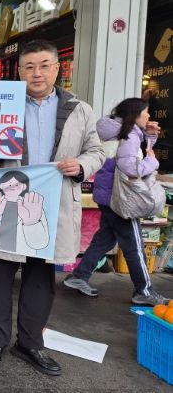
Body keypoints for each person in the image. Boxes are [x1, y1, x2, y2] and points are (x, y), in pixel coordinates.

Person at [0, 40, 104, 376]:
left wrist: (81, 165)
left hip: (52, 202)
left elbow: (97, 151)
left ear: (57, 68)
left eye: (44, 65)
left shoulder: (79, 109)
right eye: (30, 67)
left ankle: (30, 343)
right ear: (19, 71)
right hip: (8, 200)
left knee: (39, 277)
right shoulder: (3, 105)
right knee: (0, 274)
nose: (37, 73)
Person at [63, 98, 170, 305]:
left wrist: (149, 135)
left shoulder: (117, 131)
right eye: (146, 112)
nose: (149, 116)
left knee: (105, 239)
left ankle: (79, 276)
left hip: (107, 197)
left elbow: (134, 153)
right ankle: (144, 290)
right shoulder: (129, 136)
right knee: (135, 246)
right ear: (135, 114)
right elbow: (132, 168)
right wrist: (152, 161)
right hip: (122, 200)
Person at [0, 170, 50, 255]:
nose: (13, 186)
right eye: (9, 183)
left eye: (17, 184)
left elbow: (40, 244)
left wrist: (31, 223)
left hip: (24, 256)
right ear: (1, 185)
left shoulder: (33, 206)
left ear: (24, 186)